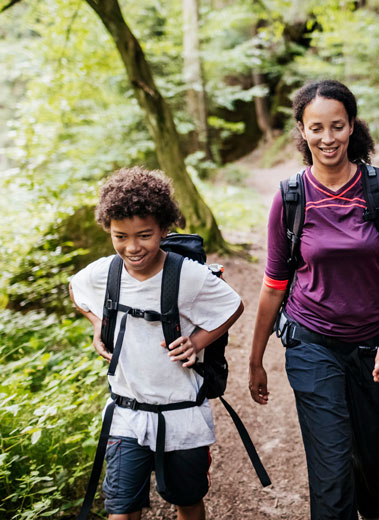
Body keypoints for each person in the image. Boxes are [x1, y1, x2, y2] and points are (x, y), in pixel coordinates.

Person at [249, 80, 379, 520]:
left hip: (373, 347)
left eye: (337, 126)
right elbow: (274, 283)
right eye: (316, 128)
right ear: (302, 131)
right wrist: (255, 359)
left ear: (351, 126)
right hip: (312, 343)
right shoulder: (290, 197)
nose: (328, 138)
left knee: (372, 459)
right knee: (332, 468)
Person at [70, 166, 244, 520]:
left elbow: (233, 305)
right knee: (121, 511)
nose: (132, 247)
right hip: (127, 414)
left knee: (188, 503)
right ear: (108, 230)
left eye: (144, 235)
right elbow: (76, 289)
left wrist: (197, 341)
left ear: (164, 229)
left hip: (183, 416)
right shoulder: (105, 272)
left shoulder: (188, 275)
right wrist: (97, 323)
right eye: (120, 236)